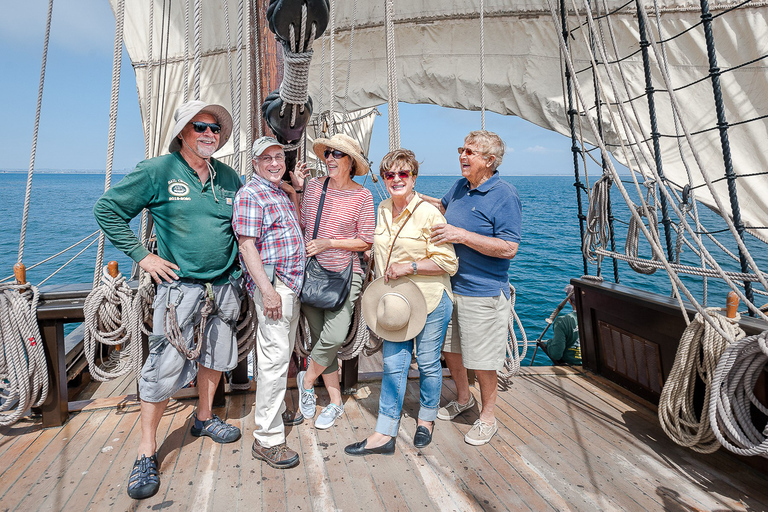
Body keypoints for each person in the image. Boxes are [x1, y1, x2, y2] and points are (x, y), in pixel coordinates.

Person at [94, 100, 243, 500]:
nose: (209, 134)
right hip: (180, 291)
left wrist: (289, 189)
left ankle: (204, 417)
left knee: (214, 357)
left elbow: (256, 211)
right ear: (183, 132)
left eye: (215, 129)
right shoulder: (158, 171)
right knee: (162, 368)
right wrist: (143, 256)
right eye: (200, 127)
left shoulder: (229, 177)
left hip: (224, 287)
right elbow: (107, 209)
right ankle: (146, 450)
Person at [344, 148, 457, 456]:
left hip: (430, 300)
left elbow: (449, 263)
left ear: (414, 177)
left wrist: (410, 266)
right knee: (394, 364)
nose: (396, 179)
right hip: (394, 304)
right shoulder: (380, 208)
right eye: (389, 174)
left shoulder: (429, 214)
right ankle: (384, 433)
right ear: (383, 178)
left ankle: (426, 420)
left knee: (430, 363)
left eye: (403, 173)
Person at [428, 130, 522, 446]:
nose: (462, 156)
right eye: (461, 150)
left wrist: (462, 236)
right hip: (449, 287)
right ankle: (464, 398)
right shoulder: (460, 187)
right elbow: (441, 209)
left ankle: (488, 418)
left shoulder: (505, 195)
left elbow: (509, 247)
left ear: (489, 160)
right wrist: (407, 195)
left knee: (482, 360)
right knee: (451, 350)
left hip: (482, 292)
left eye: (470, 152)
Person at [289, 133, 375, 429]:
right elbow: (303, 224)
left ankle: (307, 380)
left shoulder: (363, 196)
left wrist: (330, 242)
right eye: (327, 153)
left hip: (345, 275)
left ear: (351, 161)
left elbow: (365, 241)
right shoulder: (314, 188)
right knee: (320, 343)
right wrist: (297, 191)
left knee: (334, 336)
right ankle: (335, 402)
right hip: (312, 274)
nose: (329, 159)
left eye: (337, 154)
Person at [232, 136, 306, 469]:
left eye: (279, 157)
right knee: (275, 364)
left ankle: (271, 418)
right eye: (267, 159)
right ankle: (268, 439)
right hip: (276, 289)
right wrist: (268, 290)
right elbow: (247, 247)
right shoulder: (251, 194)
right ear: (255, 164)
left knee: (279, 357)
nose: (275, 163)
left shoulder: (277, 192)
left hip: (290, 287)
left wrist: (297, 192)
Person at [538, 284, 581, 365]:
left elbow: (556, 354)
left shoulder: (562, 321)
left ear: (569, 301)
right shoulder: (597, 320)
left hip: (570, 366)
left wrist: (550, 343)